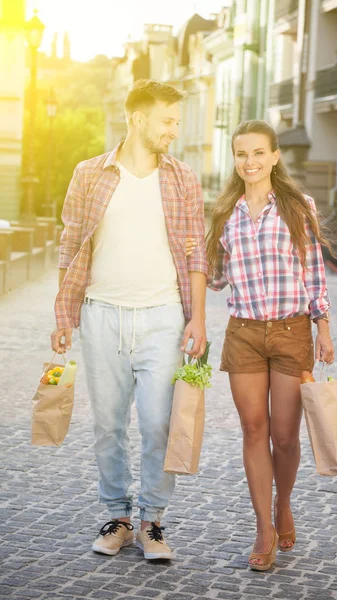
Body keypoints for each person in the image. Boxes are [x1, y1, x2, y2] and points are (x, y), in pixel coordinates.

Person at [51, 79, 208, 560]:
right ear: (138, 118)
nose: (173, 130)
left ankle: (152, 522)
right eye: (167, 120)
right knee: (108, 424)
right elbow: (71, 243)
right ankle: (117, 516)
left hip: (163, 316)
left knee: (159, 423)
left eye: (177, 121)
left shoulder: (182, 178)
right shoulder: (90, 173)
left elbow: (196, 252)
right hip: (102, 315)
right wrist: (64, 312)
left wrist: (197, 318)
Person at [187, 120, 334, 571]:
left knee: (285, 436)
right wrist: (192, 251)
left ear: (274, 157)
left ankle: (283, 504)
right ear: (234, 160)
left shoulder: (297, 206)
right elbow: (214, 277)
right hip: (244, 333)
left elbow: (312, 272)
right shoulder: (224, 209)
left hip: (291, 332)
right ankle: (263, 528)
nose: (249, 162)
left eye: (257, 153)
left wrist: (322, 326)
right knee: (255, 431)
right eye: (241, 154)